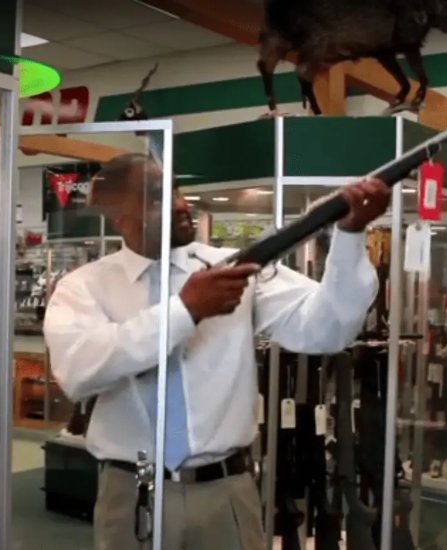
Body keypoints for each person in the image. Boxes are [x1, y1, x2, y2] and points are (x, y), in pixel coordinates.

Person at [43, 152, 391, 550]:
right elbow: (79, 369)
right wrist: (186, 311)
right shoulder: (84, 286)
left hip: (226, 492)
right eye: (157, 197)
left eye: (175, 190)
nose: (178, 204)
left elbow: (328, 330)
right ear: (118, 215)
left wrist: (349, 236)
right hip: (133, 495)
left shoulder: (232, 269)